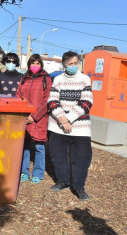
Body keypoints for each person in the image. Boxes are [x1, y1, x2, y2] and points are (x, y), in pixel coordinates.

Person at [47, 51, 93, 201]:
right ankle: (63, 181)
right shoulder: (58, 80)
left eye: (75, 63)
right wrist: (62, 119)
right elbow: (52, 101)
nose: (73, 66)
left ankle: (79, 187)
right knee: (58, 156)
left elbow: (86, 102)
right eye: (70, 64)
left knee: (82, 158)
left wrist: (69, 119)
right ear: (64, 64)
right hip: (57, 126)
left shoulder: (84, 79)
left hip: (80, 127)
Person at [16, 54, 52, 184]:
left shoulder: (46, 78)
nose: (35, 65)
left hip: (39, 118)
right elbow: (18, 96)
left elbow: (47, 100)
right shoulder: (24, 78)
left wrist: (34, 116)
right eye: (33, 63)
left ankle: (38, 173)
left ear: (41, 65)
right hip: (24, 117)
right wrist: (23, 114)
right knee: (24, 146)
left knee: (39, 147)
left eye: (37, 63)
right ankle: (24, 172)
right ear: (29, 65)